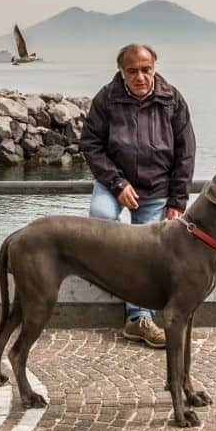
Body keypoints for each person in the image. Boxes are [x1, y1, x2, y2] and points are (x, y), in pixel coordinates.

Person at [79, 43, 196, 348]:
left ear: (154, 67)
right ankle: (107, 272)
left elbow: (186, 152)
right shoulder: (107, 98)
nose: (140, 77)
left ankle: (138, 318)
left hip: (157, 189)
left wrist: (177, 201)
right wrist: (116, 183)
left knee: (146, 252)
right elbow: (90, 143)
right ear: (121, 71)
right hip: (113, 182)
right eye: (132, 71)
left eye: (146, 69)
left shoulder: (172, 100)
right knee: (102, 218)